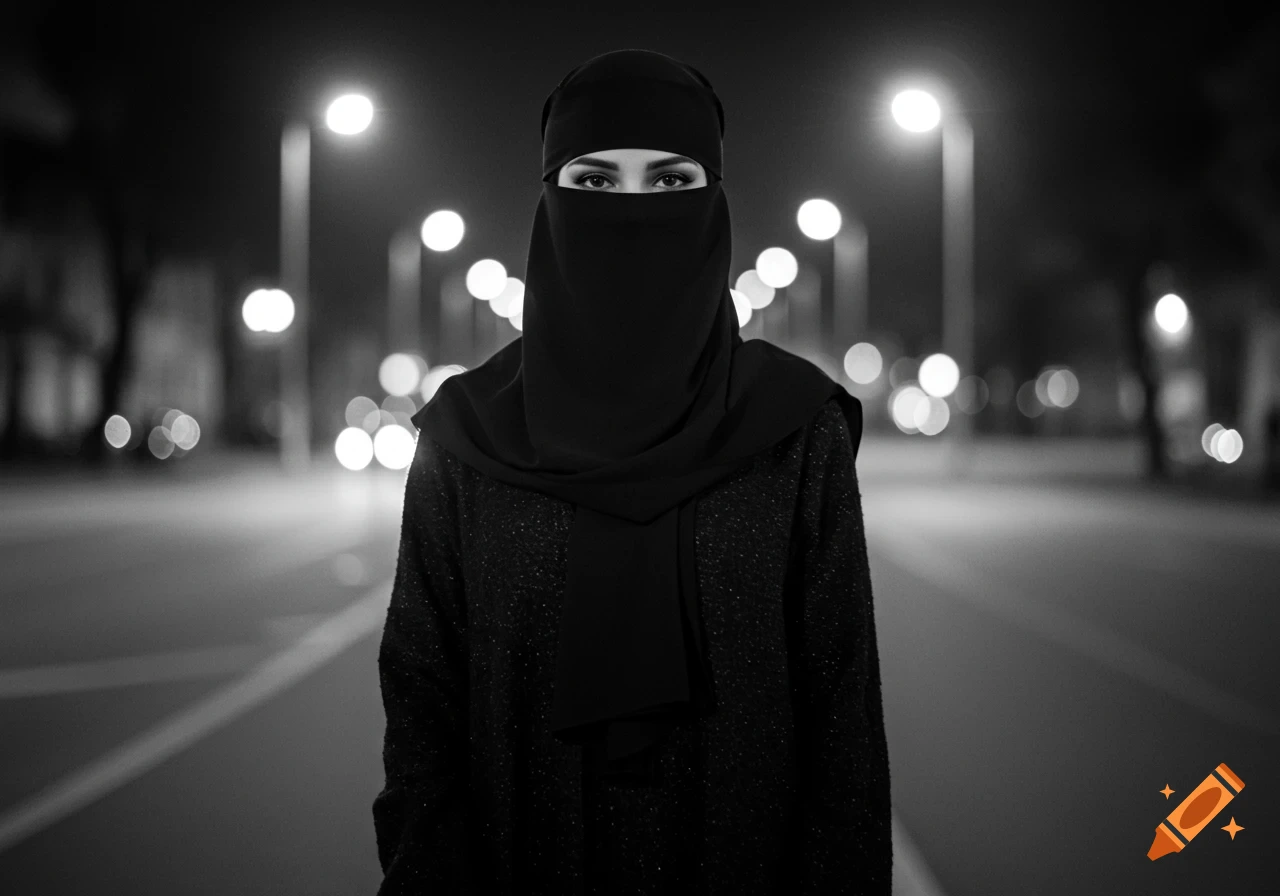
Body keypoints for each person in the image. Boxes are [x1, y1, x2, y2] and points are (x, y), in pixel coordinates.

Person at [372, 48, 892, 894]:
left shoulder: (794, 430)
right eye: (598, 180)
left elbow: (844, 727)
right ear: (548, 200)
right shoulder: (469, 436)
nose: (634, 211)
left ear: (716, 201)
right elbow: (422, 719)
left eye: (670, 179)